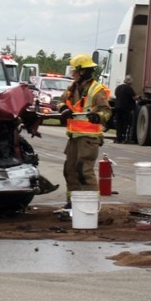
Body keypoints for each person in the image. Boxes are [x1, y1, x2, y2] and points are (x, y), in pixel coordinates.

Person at [55, 54, 112, 213]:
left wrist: (98, 117)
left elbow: (107, 111)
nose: (73, 73)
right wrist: (63, 109)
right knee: (70, 170)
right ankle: (73, 204)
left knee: (83, 171)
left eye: (75, 70)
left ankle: (90, 207)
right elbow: (59, 102)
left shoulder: (96, 90)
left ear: (82, 71)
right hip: (73, 137)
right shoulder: (71, 88)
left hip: (88, 139)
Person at [113, 75, 137, 143]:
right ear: (130, 82)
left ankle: (118, 138)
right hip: (125, 108)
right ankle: (123, 138)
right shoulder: (129, 88)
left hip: (117, 107)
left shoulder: (118, 87)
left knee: (118, 123)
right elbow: (134, 97)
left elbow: (115, 94)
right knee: (125, 123)